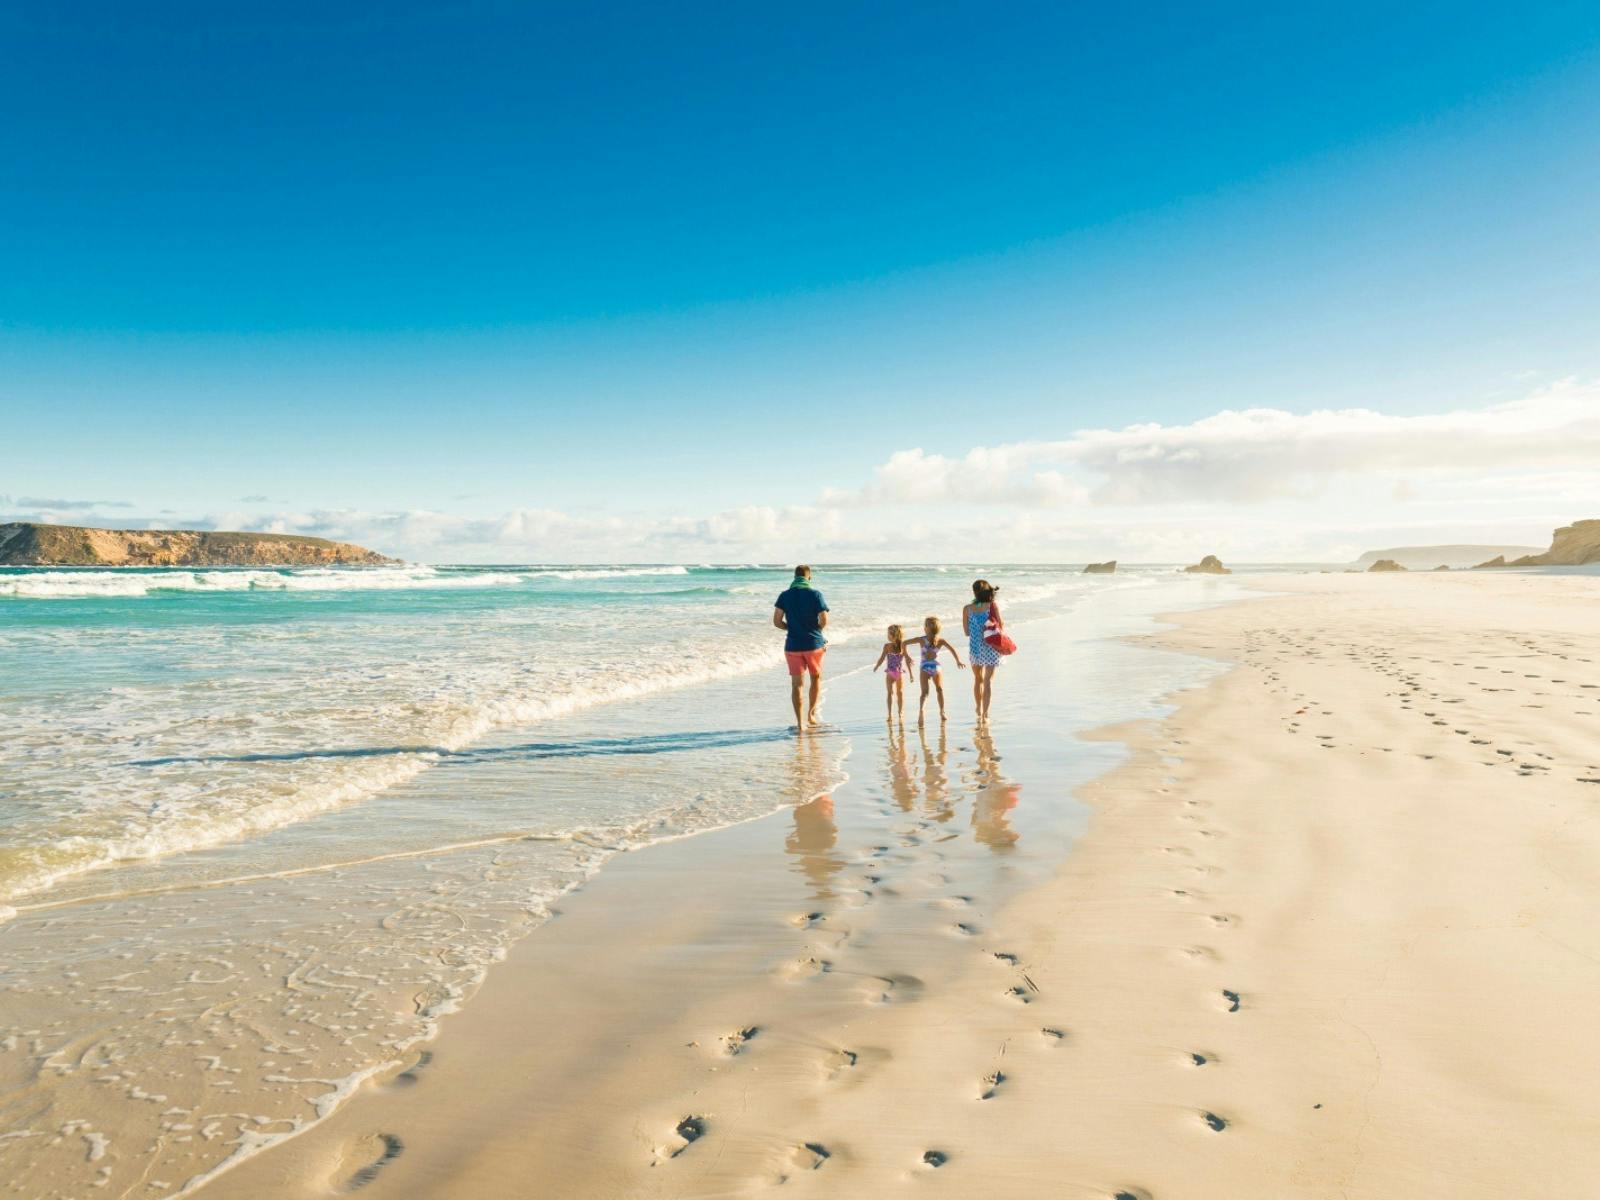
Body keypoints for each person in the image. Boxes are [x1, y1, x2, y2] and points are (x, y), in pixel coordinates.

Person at [773, 564, 829, 731]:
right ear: (809, 577)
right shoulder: (815, 594)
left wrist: (790, 628)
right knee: (815, 679)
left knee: (796, 685)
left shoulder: (784, 596)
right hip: (814, 645)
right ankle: (811, 716)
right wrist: (814, 631)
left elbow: (776, 622)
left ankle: (800, 723)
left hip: (792, 645)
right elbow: (824, 621)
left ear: (794, 577)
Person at [905, 615, 964, 724]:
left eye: (925, 625)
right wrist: (958, 661)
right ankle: (942, 712)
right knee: (939, 689)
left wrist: (907, 657)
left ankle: (922, 711)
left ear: (927, 628)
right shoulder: (940, 641)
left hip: (924, 667)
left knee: (924, 693)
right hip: (935, 667)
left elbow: (903, 643)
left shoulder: (921, 639)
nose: (924, 627)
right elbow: (952, 650)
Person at [963, 578, 1002, 724]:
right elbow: (1001, 624)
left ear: (974, 592)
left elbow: (966, 632)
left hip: (975, 648)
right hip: (991, 647)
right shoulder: (992, 605)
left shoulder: (967, 609)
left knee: (977, 679)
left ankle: (978, 709)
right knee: (987, 681)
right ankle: (985, 715)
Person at [872, 624, 910, 722]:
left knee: (891, 693)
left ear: (893, 635)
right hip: (897, 673)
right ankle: (897, 713)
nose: (887, 635)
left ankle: (892, 714)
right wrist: (877, 666)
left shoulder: (893, 646)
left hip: (891, 673)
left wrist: (877, 666)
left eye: (888, 633)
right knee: (898, 693)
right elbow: (907, 659)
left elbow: (881, 659)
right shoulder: (900, 646)